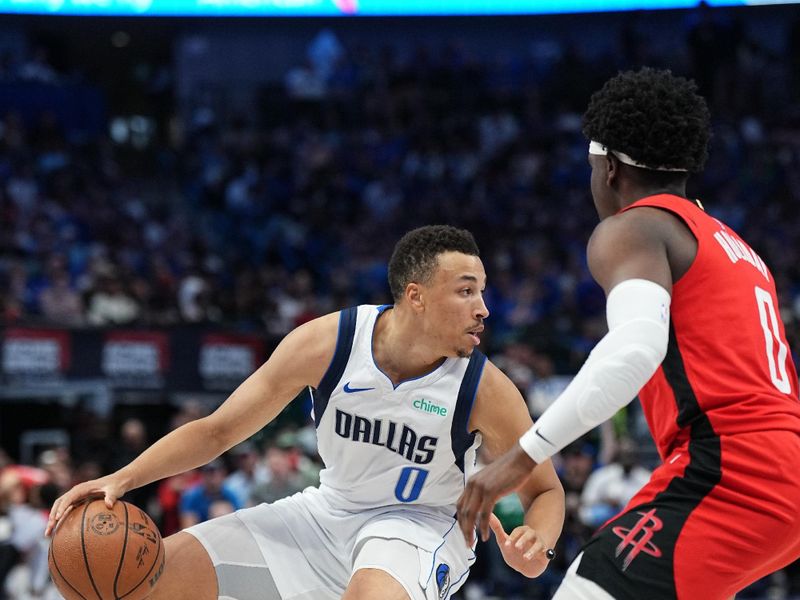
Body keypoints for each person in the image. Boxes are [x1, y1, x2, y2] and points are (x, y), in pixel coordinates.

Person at [46, 225, 565, 600]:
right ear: (417, 297)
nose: (484, 309)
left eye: (483, 292)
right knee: (146, 581)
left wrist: (536, 544)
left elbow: (545, 489)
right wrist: (123, 478)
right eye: (466, 291)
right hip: (324, 514)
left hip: (419, 526)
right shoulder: (328, 343)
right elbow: (218, 430)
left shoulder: (484, 388)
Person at [456, 67, 800, 600]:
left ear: (609, 168)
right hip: (779, 469)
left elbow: (635, 349)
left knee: (587, 588)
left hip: (731, 470)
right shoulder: (737, 247)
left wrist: (519, 460)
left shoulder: (632, 227)